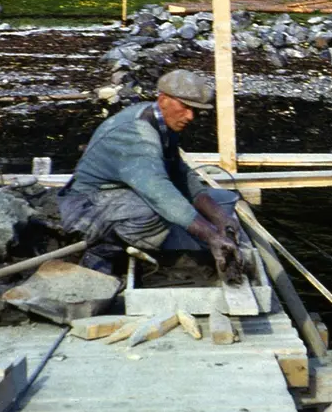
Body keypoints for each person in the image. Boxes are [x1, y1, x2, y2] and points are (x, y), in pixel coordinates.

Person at [57, 69, 241, 277]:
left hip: (118, 195)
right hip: (85, 207)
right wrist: (210, 236)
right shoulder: (136, 134)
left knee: (204, 202)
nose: (190, 116)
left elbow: (181, 174)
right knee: (155, 211)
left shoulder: (161, 122)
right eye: (186, 107)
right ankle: (103, 251)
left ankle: (133, 240)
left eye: (196, 111)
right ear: (163, 99)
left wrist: (219, 217)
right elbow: (158, 192)